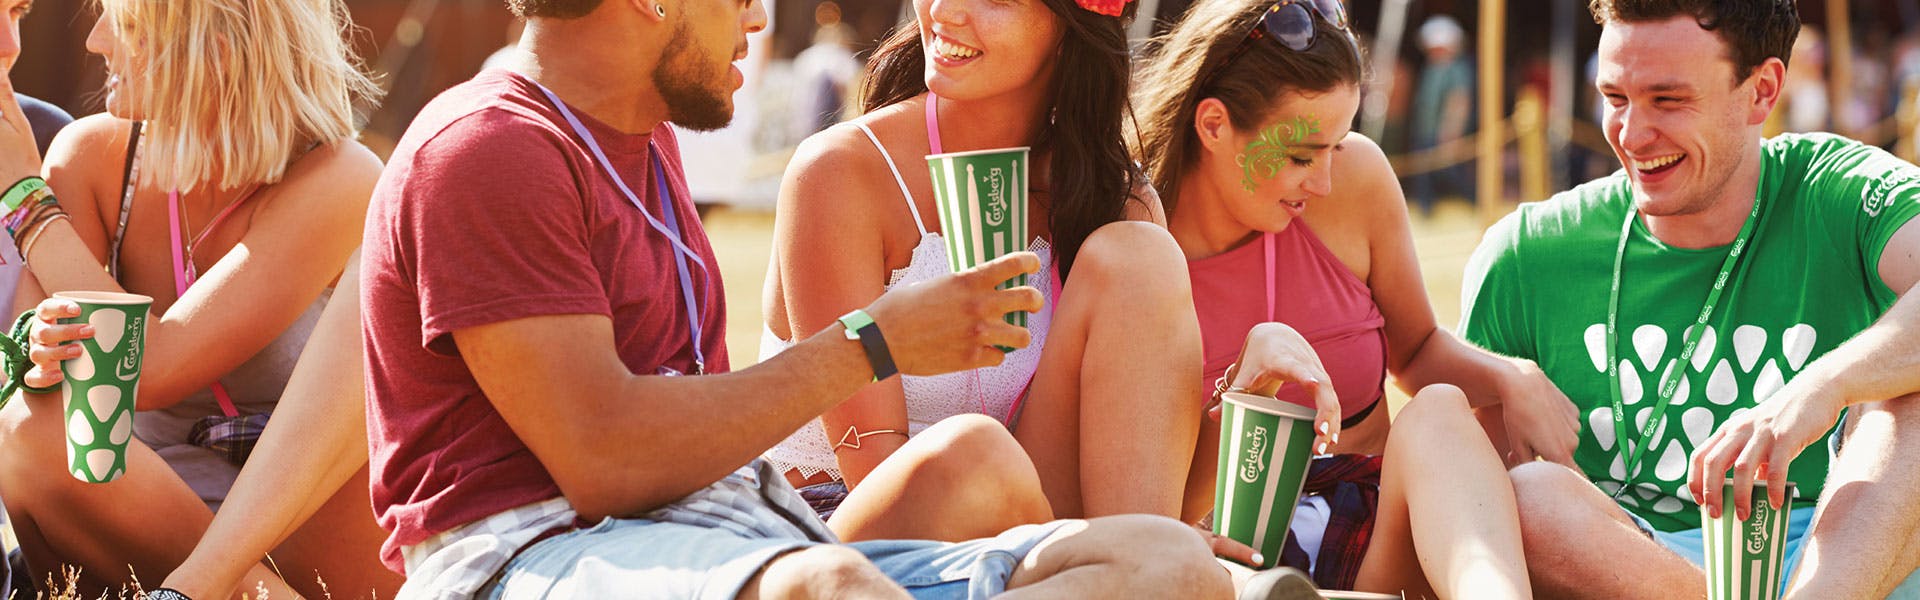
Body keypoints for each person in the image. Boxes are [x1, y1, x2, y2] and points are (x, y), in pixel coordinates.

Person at [357, 0, 1241, 597]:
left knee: (1166, 566)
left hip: (723, 533)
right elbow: (603, 462)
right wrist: (874, 343)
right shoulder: (491, 148)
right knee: (834, 584)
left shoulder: (642, 150)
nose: (758, 18)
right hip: (532, 555)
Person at [1459, 1, 1920, 597]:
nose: (1632, 134)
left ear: (1761, 91)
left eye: (1668, 100)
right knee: (1522, 498)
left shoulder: (1840, 190)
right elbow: (1470, 495)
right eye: (1615, 98)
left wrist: (1824, 385)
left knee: (1907, 396)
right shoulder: (1525, 255)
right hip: (1635, 562)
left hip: (1842, 553)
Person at [1132, 0, 1550, 595]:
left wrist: (1511, 379)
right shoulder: (1129, 247)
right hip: (1222, 566)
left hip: (1374, 542)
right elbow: (1127, 498)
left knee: (1438, 410)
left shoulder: (1355, 181)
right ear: (1215, 126)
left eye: (1338, 145)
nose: (1325, 181)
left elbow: (1417, 351)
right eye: (1303, 155)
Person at [761, 0, 1215, 529]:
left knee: (1142, 256)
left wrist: (1240, 397)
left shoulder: (1115, 199)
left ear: (1071, 23)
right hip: (849, 529)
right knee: (976, 454)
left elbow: (1147, 493)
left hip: (1028, 530)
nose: (943, 10)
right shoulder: (839, 172)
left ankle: (1125, 563)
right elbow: (874, 472)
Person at [0, 0, 395, 597]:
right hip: (149, 505)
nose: (96, 41)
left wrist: (26, 204)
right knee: (29, 425)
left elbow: (152, 367)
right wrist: (42, 346)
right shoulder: (91, 158)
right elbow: (29, 371)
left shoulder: (342, 177)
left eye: (128, 25)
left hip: (299, 520)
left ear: (214, 49)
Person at [1406, 14, 1474, 215]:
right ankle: (1426, 211)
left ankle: (1473, 205)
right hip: (1425, 131)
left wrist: (1451, 132)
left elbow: (1459, 101)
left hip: (1442, 134)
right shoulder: (1432, 68)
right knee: (1423, 175)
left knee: (1452, 173)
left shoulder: (1456, 69)